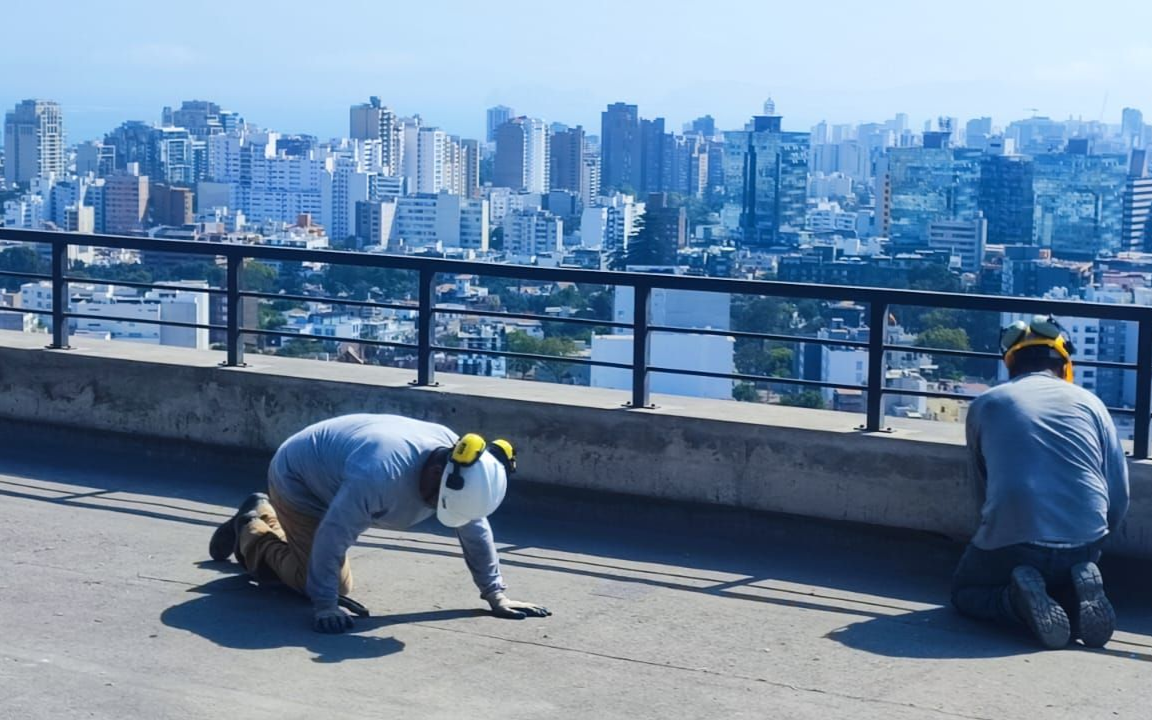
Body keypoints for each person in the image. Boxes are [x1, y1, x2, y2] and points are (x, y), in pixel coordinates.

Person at [208, 413, 551, 633]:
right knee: (317, 584)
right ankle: (253, 527)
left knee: (324, 575)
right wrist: (325, 604)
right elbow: (333, 534)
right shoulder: (379, 476)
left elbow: (474, 529)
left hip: (339, 474)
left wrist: (496, 595)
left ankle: (267, 521)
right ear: (436, 472)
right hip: (299, 478)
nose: (434, 508)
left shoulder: (460, 467)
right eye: (437, 499)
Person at [952, 314, 1129, 649]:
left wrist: (991, 536)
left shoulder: (987, 404)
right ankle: (1076, 599)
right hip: (1084, 541)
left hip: (1014, 541)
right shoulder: (1093, 405)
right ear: (1064, 364)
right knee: (1062, 582)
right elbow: (1119, 495)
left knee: (966, 593)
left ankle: (1015, 603)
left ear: (1010, 364)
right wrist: (1095, 543)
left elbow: (982, 491)